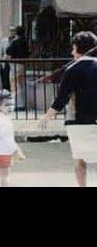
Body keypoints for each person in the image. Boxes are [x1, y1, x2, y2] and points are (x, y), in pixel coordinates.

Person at [39, 31, 97, 187]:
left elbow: (61, 99)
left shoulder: (72, 69)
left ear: (77, 48)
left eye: (73, 48)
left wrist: (47, 117)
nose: (72, 52)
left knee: (80, 160)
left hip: (80, 121)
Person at [0, 89, 25, 187]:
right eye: (7, 105)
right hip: (4, 153)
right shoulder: (5, 121)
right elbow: (9, 139)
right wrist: (18, 151)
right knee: (5, 176)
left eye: (11, 104)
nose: (10, 107)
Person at [6, 26, 29, 110]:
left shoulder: (14, 41)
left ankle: (17, 104)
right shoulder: (25, 41)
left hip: (15, 64)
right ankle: (21, 103)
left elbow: (8, 51)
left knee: (14, 84)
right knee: (20, 84)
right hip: (22, 64)